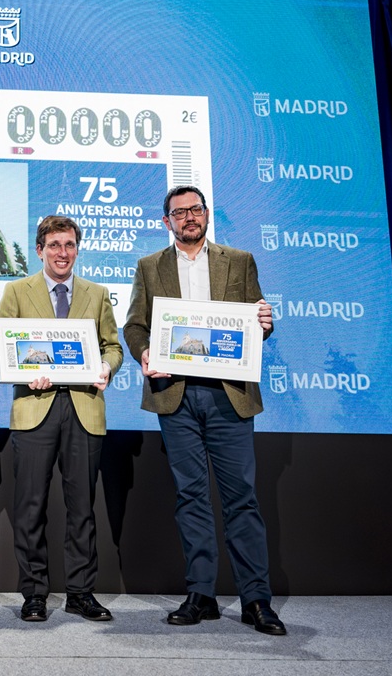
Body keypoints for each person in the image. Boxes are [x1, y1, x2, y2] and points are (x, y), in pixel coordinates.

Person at [122, 186, 285, 636]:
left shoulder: (240, 260)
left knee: (241, 499)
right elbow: (135, 326)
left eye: (195, 209)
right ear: (167, 221)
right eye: (180, 212)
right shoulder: (149, 266)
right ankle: (201, 594)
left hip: (229, 395)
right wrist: (144, 353)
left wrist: (265, 324)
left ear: (207, 214)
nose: (189, 217)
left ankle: (256, 600)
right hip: (175, 395)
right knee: (191, 497)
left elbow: (256, 325)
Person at [0, 215, 122, 622]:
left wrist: (106, 366)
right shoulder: (16, 290)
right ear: (40, 250)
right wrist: (25, 371)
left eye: (69, 245)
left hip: (84, 408)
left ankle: (81, 593)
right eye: (54, 245)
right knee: (30, 506)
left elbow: (113, 346)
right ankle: (34, 593)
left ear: (77, 249)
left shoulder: (97, 293)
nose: (62, 253)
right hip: (35, 406)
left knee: (82, 508)